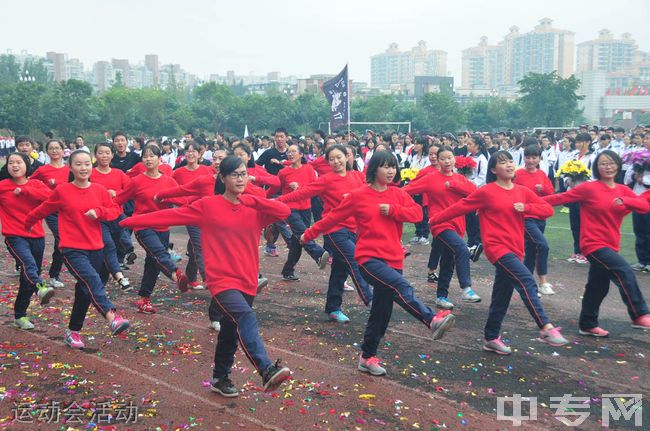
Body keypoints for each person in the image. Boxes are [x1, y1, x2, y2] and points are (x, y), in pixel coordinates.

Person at [120, 156, 292, 396]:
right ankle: (265, 368)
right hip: (221, 281)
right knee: (244, 316)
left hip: (248, 280)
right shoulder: (208, 205)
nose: (240, 178)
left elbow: (284, 210)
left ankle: (220, 378)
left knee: (232, 330)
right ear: (223, 178)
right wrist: (129, 221)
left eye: (243, 173)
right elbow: (170, 216)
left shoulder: (255, 208)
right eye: (234, 174)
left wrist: (252, 199)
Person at [302, 151, 456, 376]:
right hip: (368, 258)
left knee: (381, 312)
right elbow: (333, 217)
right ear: (374, 170)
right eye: (386, 166)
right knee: (402, 287)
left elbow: (415, 215)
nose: (391, 170)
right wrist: (309, 234)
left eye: (393, 166)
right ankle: (431, 318)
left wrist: (393, 210)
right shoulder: (358, 195)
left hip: (393, 258)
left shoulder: (398, 194)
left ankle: (367, 357)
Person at [430, 150, 568, 355]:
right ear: (494, 169)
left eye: (511, 161)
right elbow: (460, 207)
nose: (509, 165)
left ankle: (491, 338)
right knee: (526, 280)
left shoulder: (522, 191)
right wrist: (434, 221)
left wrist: (527, 208)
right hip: (497, 248)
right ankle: (545, 327)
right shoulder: (486, 191)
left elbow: (547, 210)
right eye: (503, 163)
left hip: (515, 248)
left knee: (502, 294)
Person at [25, 150, 130, 349]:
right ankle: (112, 316)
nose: (83, 168)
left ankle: (73, 331)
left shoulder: (99, 190)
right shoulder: (63, 191)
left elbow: (115, 210)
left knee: (85, 291)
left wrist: (99, 212)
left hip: (96, 248)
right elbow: (44, 208)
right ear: (71, 167)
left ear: (91, 166)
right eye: (78, 164)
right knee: (92, 280)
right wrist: (27, 223)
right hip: (72, 249)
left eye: (86, 164)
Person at [544, 150, 650, 336]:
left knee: (598, 286)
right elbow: (559, 198)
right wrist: (527, 204)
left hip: (611, 245)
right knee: (624, 270)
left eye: (611, 163)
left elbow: (644, 207)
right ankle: (639, 314)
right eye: (603, 163)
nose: (608, 167)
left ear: (618, 165)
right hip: (593, 245)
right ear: (596, 167)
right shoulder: (589, 188)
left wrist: (625, 200)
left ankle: (587, 323)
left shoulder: (622, 190)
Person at [278, 145, 373, 322]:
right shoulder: (327, 180)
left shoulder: (357, 177)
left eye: (340, 157)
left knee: (340, 270)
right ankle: (371, 300)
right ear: (328, 162)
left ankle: (333, 308)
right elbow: (303, 193)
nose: (336, 162)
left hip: (353, 230)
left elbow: (369, 196)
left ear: (347, 157)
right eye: (332, 159)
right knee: (355, 260)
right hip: (334, 230)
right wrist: (277, 200)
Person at [114, 144, 190, 314]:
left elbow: (182, 200)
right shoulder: (137, 181)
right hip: (143, 225)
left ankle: (144, 299)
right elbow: (119, 199)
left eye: (152, 156)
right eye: (145, 156)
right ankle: (175, 274)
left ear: (159, 159)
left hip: (163, 226)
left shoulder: (168, 181)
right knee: (159, 252)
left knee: (153, 263)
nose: (148, 159)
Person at [405, 146, 480, 309]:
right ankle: (466, 288)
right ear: (438, 161)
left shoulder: (460, 180)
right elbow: (408, 190)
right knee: (461, 248)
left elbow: (474, 193)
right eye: (443, 158)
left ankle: (441, 296)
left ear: (455, 159)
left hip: (458, 226)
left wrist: (453, 186)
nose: (447, 161)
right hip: (439, 224)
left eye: (450, 158)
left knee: (448, 261)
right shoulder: (431, 178)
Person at [1, 152, 55, 330]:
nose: (14, 166)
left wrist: (25, 190)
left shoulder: (36, 184)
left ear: (26, 165)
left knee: (27, 278)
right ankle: (41, 286)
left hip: (37, 236)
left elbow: (50, 198)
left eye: (18, 162)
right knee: (28, 265)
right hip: (14, 236)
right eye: (11, 163)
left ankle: (20, 315)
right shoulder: (3, 186)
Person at [278, 144, 329, 281]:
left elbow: (315, 188)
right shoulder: (283, 172)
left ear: (301, 154)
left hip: (306, 207)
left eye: (294, 151)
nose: (290, 154)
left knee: (297, 242)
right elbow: (278, 187)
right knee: (302, 233)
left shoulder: (309, 169)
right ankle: (318, 254)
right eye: (289, 152)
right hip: (289, 208)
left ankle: (288, 270)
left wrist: (299, 187)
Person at [513, 145, 556, 296]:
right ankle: (543, 282)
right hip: (526, 217)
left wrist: (543, 188)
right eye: (528, 157)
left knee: (532, 251)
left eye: (534, 157)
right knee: (542, 245)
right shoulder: (518, 174)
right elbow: (512, 192)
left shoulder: (542, 174)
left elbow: (551, 193)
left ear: (539, 158)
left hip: (540, 217)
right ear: (524, 158)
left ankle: (526, 285)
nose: (531, 160)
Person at [89, 142, 133, 291]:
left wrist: (117, 193)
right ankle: (120, 277)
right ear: (95, 155)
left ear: (112, 155)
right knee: (108, 246)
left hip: (117, 215)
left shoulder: (119, 174)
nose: (104, 156)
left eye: (107, 153)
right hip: (98, 219)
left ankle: (100, 283)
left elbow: (130, 191)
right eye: (100, 153)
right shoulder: (90, 173)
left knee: (109, 252)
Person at [170, 141, 214, 290]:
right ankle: (208, 278)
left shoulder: (207, 170)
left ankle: (190, 277)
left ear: (199, 154)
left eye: (194, 151)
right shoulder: (178, 172)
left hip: (207, 213)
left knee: (196, 245)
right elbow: (170, 189)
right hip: (191, 214)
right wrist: (184, 203)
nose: (190, 154)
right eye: (187, 151)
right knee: (200, 245)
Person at [30, 139, 70, 288]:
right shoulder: (43, 170)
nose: (55, 151)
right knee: (60, 237)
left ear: (62, 150)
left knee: (62, 241)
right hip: (50, 209)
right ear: (47, 151)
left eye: (57, 148)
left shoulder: (69, 169)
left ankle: (53, 275)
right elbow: (30, 182)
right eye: (51, 148)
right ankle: (50, 274)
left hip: (67, 209)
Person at [465, 134, 488, 261]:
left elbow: (482, 177)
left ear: (477, 146)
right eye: (467, 144)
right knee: (468, 217)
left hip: (477, 191)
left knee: (476, 218)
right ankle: (471, 240)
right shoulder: (468, 157)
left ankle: (478, 242)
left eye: (470, 144)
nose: (468, 147)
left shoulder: (482, 159)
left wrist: (470, 184)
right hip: (467, 190)